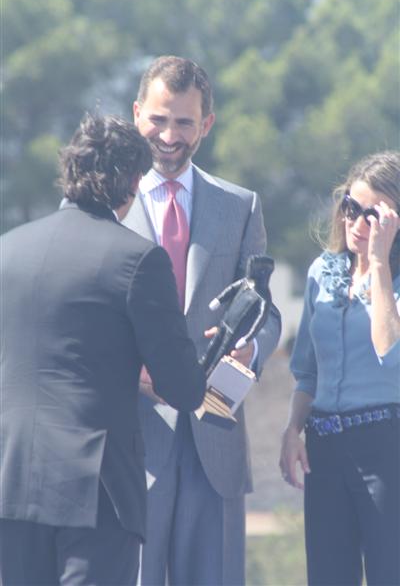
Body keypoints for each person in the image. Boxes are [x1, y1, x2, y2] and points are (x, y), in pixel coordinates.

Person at [0, 113, 206, 586]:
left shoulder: (7, 250)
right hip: (97, 490)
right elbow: (183, 388)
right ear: (132, 182)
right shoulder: (139, 260)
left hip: (11, 480)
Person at [123, 55, 281, 585]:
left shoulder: (240, 206)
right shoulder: (104, 204)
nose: (169, 136)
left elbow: (266, 311)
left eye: (184, 123)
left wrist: (251, 348)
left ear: (206, 124)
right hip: (130, 442)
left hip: (214, 441)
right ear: (137, 113)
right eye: (158, 120)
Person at [279, 151, 400, 586]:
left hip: (386, 450)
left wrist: (380, 264)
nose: (357, 222)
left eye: (373, 215)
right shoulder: (322, 272)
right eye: (351, 207)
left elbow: (390, 350)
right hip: (325, 448)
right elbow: (307, 371)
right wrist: (292, 430)